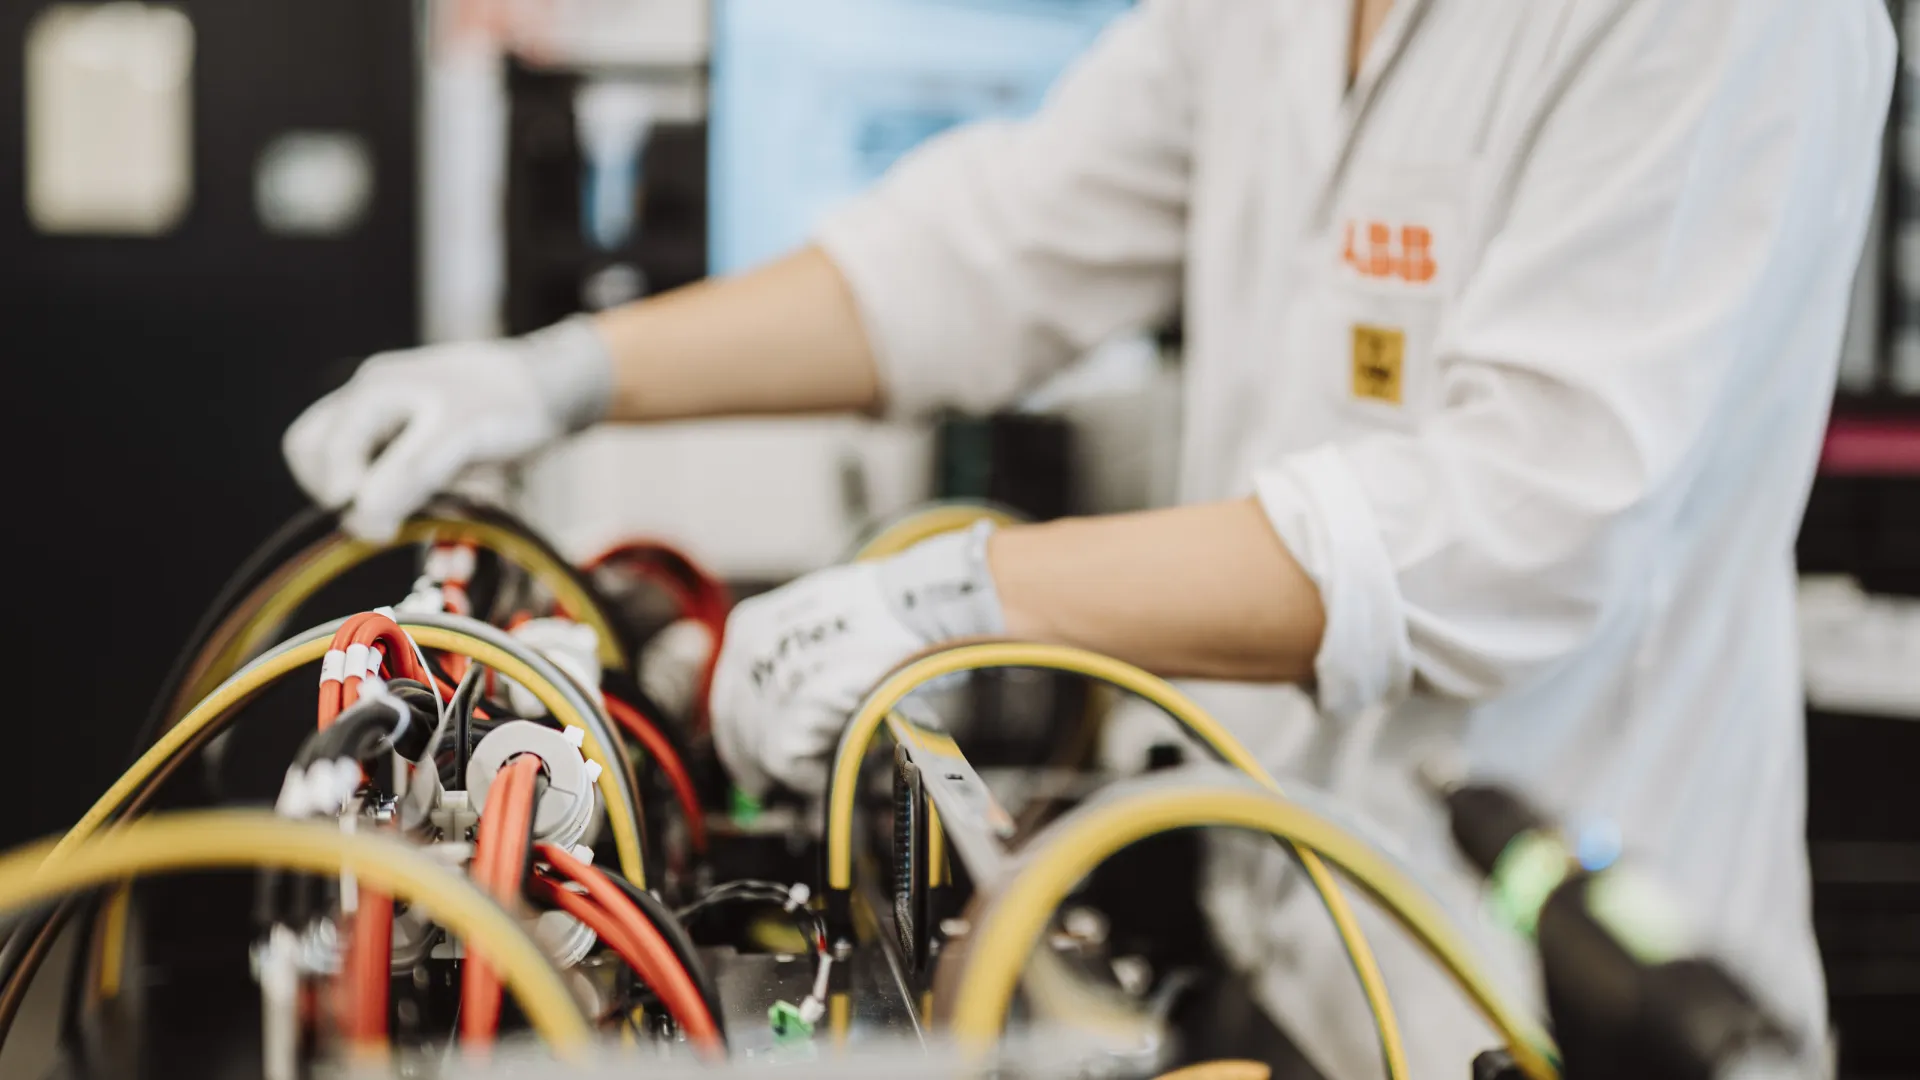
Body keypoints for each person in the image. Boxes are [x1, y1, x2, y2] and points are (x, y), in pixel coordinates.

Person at [284, 0, 1894, 1075]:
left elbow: (1512, 525)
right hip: (1279, 944)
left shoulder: (1727, 21)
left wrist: (954, 599)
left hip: (1538, 997)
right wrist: (560, 374)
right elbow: (998, 247)